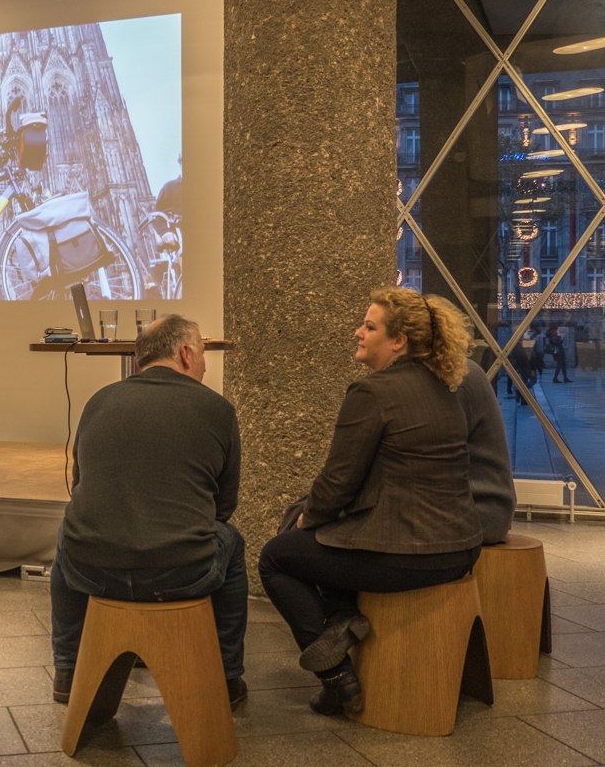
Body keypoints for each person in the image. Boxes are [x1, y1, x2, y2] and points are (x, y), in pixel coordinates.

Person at [258, 288, 481, 717]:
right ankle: (341, 617)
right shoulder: (443, 388)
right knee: (330, 538)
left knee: (278, 556)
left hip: (411, 553)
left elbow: (338, 483)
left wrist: (308, 515)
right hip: (460, 547)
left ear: (398, 341)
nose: (358, 332)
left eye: (370, 326)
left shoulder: (372, 394)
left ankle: (337, 678)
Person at [50, 314, 247, 708]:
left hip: (92, 569)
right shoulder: (217, 410)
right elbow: (223, 508)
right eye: (204, 354)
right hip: (181, 570)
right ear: (186, 353)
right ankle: (226, 679)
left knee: (68, 533)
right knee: (232, 542)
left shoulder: (99, 400)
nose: (205, 365)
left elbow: (80, 486)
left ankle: (69, 671)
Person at [458, 356, 515, 545]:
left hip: (481, 511)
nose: (360, 333)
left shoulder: (458, 376)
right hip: (478, 506)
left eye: (371, 327)